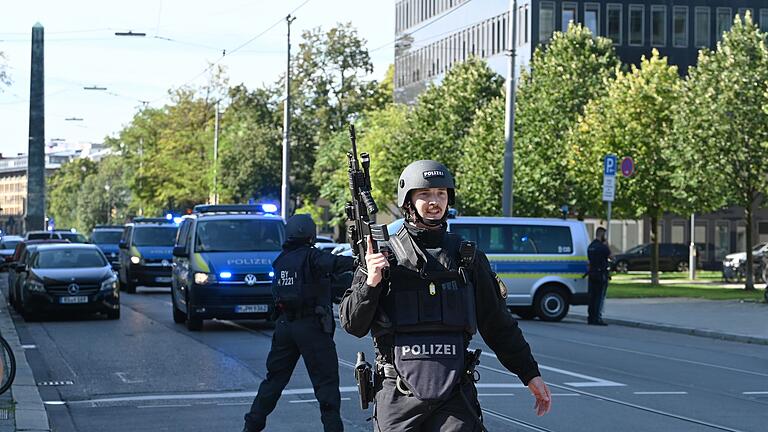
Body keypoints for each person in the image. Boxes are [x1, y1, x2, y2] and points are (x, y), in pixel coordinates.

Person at [340, 160, 552, 431]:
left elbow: (498, 324)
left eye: (441, 194)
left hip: (455, 395)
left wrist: (529, 374)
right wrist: (371, 282)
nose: (434, 201)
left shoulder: (467, 258)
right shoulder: (383, 256)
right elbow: (352, 324)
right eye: (425, 194)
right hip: (398, 396)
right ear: (408, 201)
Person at [243, 214, 355, 432]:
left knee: (273, 382)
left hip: (285, 327)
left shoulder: (281, 261)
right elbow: (335, 264)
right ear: (311, 234)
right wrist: (361, 260)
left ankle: (251, 427)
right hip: (312, 328)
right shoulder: (312, 257)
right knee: (327, 388)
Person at [587, 227, 612, 326]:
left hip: (592, 274)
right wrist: (607, 245)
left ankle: (590, 317)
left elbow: (589, 261)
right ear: (602, 235)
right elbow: (612, 257)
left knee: (592, 297)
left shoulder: (591, 246)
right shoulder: (603, 247)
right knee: (599, 297)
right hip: (601, 274)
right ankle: (597, 318)